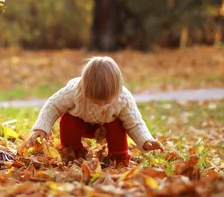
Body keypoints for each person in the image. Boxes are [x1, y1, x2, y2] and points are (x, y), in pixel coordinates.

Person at [28, 56, 163, 166]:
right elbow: (53, 106)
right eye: (95, 99)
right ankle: (72, 152)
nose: (100, 104)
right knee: (68, 120)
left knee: (118, 125)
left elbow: (134, 123)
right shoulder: (74, 91)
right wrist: (41, 128)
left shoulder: (123, 98)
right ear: (84, 87)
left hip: (107, 126)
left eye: (106, 101)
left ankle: (119, 157)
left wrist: (146, 141)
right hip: (80, 122)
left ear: (117, 91)